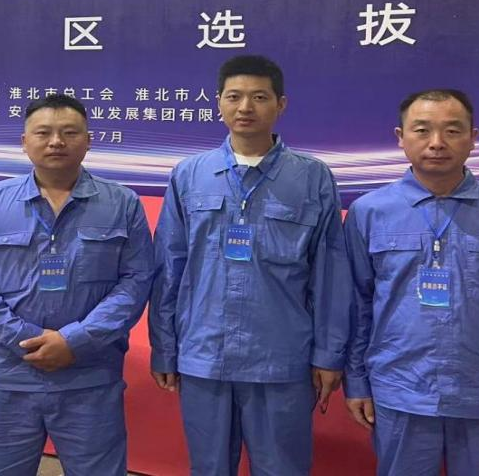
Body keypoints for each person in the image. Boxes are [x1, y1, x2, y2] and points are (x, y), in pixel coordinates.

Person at [343, 89, 479, 476]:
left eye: (452, 130)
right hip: (400, 390)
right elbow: (356, 304)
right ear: (400, 137)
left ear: (473, 137)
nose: (437, 143)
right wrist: (357, 380)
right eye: (422, 130)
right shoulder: (369, 212)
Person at [149, 54, 350, 475]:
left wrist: (328, 354)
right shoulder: (189, 175)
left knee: (283, 468)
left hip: (282, 357)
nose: (245, 107)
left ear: (281, 104)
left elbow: (330, 273)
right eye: (234, 96)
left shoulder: (312, 177)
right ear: (218, 103)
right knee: (208, 467)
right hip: (204, 354)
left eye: (259, 97)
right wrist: (164, 347)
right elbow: (169, 266)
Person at [0, 95, 153, 476]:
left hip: (89, 378)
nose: (56, 141)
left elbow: (136, 282)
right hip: (9, 377)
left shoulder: (122, 204)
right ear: (24, 141)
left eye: (69, 132)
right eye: (43, 133)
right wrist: (27, 340)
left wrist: (75, 341)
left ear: (88, 140)